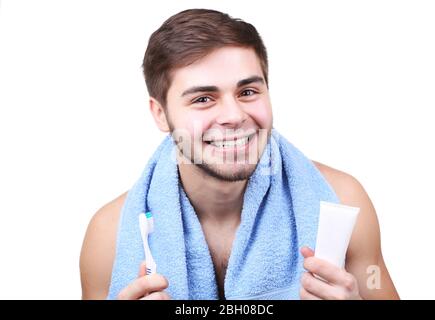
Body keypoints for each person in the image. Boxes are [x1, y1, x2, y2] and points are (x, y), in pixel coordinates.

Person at [80, 8, 399, 300]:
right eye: (204, 99)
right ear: (160, 113)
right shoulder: (110, 235)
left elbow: (372, 283)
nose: (234, 115)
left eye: (248, 92)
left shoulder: (341, 200)